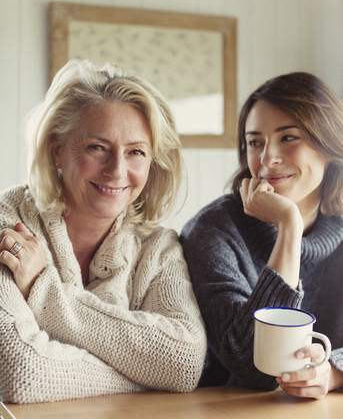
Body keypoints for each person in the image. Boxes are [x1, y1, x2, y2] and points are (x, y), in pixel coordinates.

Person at [0, 59, 207, 404]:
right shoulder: (9, 227)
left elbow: (183, 364)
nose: (117, 170)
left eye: (136, 152)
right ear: (57, 151)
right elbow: (20, 372)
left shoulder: (158, 247)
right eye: (97, 147)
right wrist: (146, 373)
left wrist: (44, 291)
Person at [181, 72, 343, 400]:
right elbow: (251, 364)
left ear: (329, 145)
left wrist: (334, 371)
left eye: (288, 137)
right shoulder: (212, 231)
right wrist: (289, 227)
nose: (267, 159)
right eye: (255, 142)